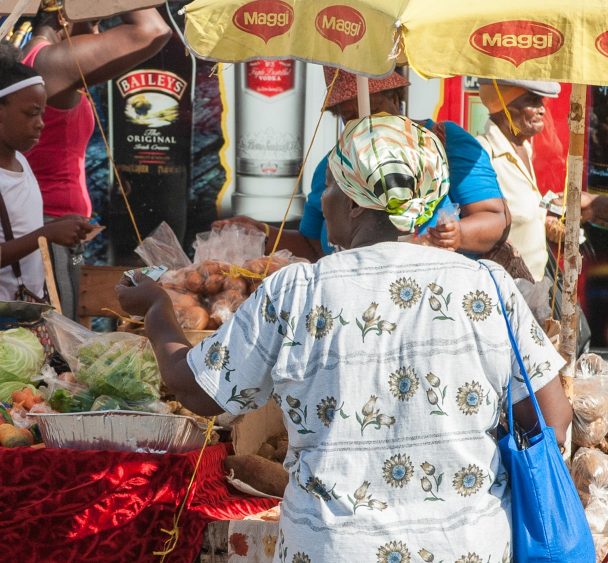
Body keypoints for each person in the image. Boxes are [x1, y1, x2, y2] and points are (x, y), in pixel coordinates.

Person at [118, 114, 571, 561]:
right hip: (467, 546)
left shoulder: (298, 290)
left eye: (330, 187)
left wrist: (158, 310)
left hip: (335, 549)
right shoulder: (487, 286)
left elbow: (197, 390)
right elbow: (550, 415)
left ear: (355, 204)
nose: (324, 199)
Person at [0, 2, 172, 318]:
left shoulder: (12, 76)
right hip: (43, 237)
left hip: (52, 232)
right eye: (95, 20)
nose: (96, 34)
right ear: (65, 13)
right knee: (54, 335)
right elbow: (153, 30)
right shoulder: (49, 64)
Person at [218, 68, 508, 262]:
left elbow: (495, 217)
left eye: (375, 107)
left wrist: (457, 234)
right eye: (350, 117)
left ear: (397, 99)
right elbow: (314, 244)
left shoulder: (444, 142)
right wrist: (264, 235)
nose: (366, 123)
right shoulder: (332, 168)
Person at [0, 45, 94, 301]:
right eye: (31, 113)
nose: (40, 122)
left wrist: (60, 225)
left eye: (42, 113)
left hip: (31, 305)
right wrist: (46, 234)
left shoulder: (21, 161)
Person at [475, 79, 561, 282]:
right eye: (532, 101)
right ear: (502, 106)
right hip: (506, 289)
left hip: (535, 284)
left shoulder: (524, 148)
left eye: (541, 101)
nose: (542, 109)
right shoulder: (484, 154)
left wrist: (544, 221)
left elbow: (521, 212)